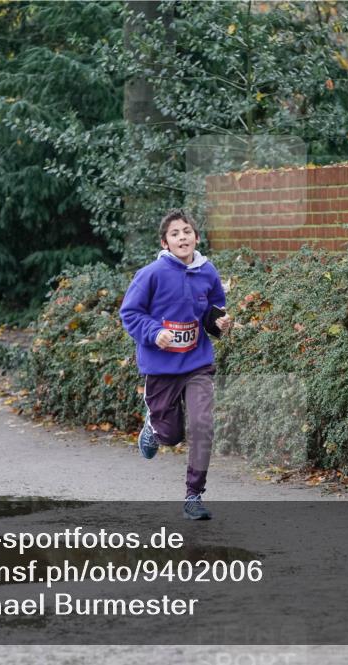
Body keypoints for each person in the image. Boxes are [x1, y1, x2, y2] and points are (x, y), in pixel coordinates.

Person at [119, 209, 231, 520]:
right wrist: (155, 333)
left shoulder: (208, 272)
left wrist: (220, 323)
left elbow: (211, 312)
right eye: (175, 233)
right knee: (171, 435)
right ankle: (154, 430)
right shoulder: (151, 274)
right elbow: (130, 313)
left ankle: (193, 495)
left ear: (197, 237)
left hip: (197, 364)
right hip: (162, 368)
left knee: (202, 425)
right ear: (165, 243)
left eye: (187, 231)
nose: (182, 237)